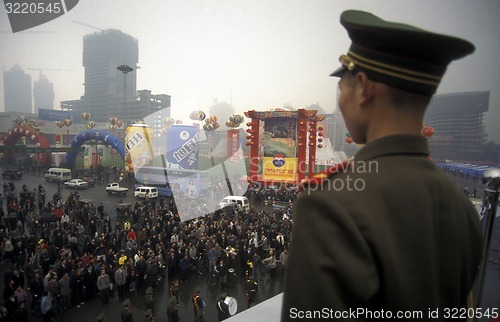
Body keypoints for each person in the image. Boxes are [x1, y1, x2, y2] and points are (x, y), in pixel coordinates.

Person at [281, 10, 483, 321]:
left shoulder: (330, 204)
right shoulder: (463, 208)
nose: (341, 99)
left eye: (342, 87)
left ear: (363, 87)